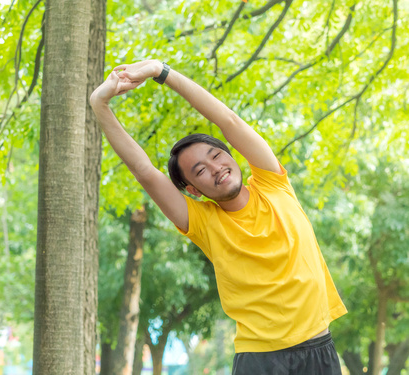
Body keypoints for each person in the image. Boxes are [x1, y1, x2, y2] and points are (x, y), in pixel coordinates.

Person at [90, 59, 347, 375]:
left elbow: (228, 120)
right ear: (193, 190)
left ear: (232, 156)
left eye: (216, 156)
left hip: (320, 351)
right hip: (261, 361)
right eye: (200, 171)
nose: (215, 168)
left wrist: (161, 71)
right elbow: (145, 172)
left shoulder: (273, 183)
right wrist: (99, 104)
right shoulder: (203, 222)